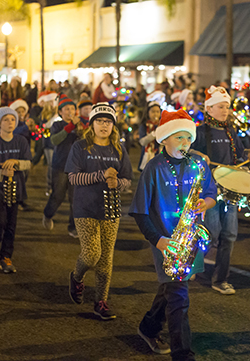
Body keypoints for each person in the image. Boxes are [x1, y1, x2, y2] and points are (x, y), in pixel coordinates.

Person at [129, 109, 217, 360]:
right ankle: (182, 354)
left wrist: (207, 203)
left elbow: (211, 191)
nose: (185, 143)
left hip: (190, 237)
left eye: (188, 138)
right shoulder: (154, 168)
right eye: (179, 138)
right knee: (179, 297)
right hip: (166, 241)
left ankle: (148, 327)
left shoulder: (198, 164)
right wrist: (159, 241)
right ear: (164, 139)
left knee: (171, 289)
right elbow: (139, 212)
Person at [66, 103, 133, 320]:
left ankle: (101, 301)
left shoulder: (119, 149)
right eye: (99, 121)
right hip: (85, 207)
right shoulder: (80, 147)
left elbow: (127, 180)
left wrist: (118, 183)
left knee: (106, 258)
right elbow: (73, 177)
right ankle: (76, 278)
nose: (104, 125)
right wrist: (100, 175)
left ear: (113, 125)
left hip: (111, 209)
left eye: (108, 122)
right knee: (91, 254)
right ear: (92, 123)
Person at [190, 86, 250, 295]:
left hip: (229, 192)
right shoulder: (199, 132)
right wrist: (196, 154)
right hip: (208, 192)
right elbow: (184, 152)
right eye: (221, 106)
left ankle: (220, 279)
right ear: (209, 109)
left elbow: (239, 156)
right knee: (210, 234)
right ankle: (191, 261)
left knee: (229, 234)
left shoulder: (231, 132)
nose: (225, 110)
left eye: (227, 107)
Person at [0, 107, 31, 273]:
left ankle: (6, 257)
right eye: (5, 120)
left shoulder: (21, 141)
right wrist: (1, 172)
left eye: (12, 120)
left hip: (16, 189)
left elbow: (28, 163)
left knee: (11, 225)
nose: (9, 123)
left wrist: (16, 162)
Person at [42, 95, 83, 237]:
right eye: (66, 109)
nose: (70, 111)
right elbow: (55, 140)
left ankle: (73, 227)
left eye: (72, 108)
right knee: (58, 195)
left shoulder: (80, 124)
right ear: (60, 112)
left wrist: (81, 128)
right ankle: (48, 214)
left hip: (76, 167)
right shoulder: (57, 125)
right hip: (60, 165)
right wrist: (70, 126)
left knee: (76, 198)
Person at [138, 101, 161, 171]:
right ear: (148, 112)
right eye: (153, 112)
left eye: (158, 112)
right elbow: (142, 142)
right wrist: (154, 133)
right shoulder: (144, 125)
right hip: (147, 156)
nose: (155, 114)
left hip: (158, 153)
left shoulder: (161, 125)